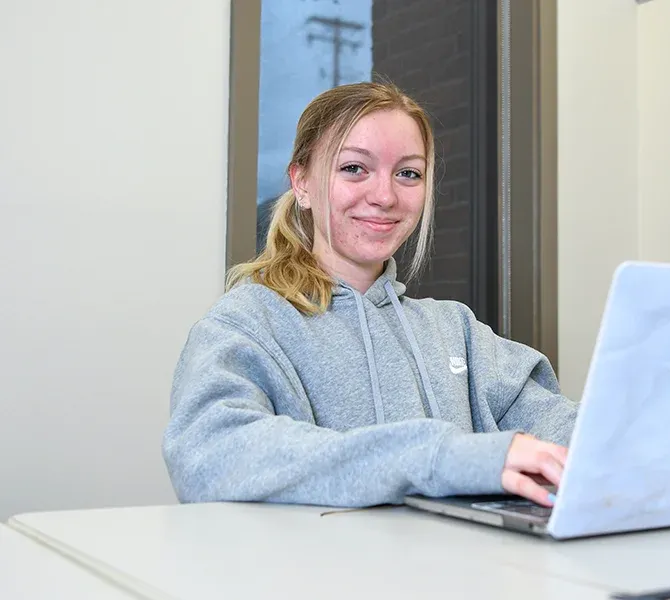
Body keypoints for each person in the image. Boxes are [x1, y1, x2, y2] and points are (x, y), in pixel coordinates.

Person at [162, 81, 578, 509]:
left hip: (457, 574)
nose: (385, 196)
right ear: (301, 181)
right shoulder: (247, 325)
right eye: (354, 168)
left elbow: (571, 435)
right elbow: (209, 456)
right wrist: (434, 456)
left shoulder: (456, 333)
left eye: (408, 173)